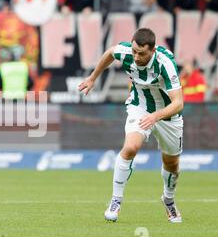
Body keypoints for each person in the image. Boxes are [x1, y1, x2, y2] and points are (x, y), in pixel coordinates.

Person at [78, 28, 184, 223]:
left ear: (152, 51)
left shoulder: (165, 63)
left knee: (172, 164)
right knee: (130, 148)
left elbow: (178, 102)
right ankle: (115, 201)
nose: (135, 57)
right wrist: (93, 78)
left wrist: (156, 116)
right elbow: (110, 53)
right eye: (134, 51)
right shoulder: (127, 52)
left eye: (141, 53)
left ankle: (168, 200)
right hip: (140, 107)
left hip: (167, 114)